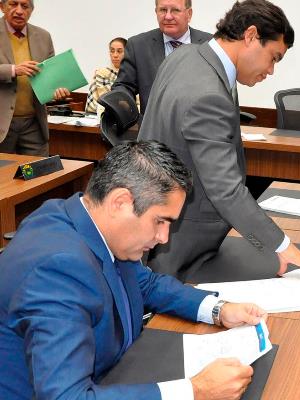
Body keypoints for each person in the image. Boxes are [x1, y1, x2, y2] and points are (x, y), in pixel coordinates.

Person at [0, 141, 266, 400]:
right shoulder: (58, 270)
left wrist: (219, 310)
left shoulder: (88, 221)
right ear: (120, 202)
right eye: (160, 221)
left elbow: (146, 284)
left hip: (116, 373)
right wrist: (195, 392)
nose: (164, 237)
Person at [139, 0, 300, 283]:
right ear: (250, 36)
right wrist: (280, 245)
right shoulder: (208, 94)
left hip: (156, 223)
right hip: (183, 243)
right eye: (274, 57)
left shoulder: (185, 56)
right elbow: (225, 190)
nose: (271, 70)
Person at [111, 0, 211, 118]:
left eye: (175, 10)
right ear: (156, 12)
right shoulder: (138, 45)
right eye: (163, 10)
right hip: (154, 132)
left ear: (189, 14)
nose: (168, 16)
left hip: (201, 129)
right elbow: (124, 86)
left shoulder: (210, 45)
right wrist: (123, 106)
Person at [0, 0, 69, 156]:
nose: (19, 11)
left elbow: (51, 77)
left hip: (34, 124)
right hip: (2, 125)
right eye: (13, 4)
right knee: (3, 178)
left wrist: (58, 91)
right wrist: (13, 70)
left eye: (25, 6)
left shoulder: (44, 36)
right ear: (2, 6)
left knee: (39, 175)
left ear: (31, 10)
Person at [85, 37, 127, 114]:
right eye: (112, 51)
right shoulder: (102, 73)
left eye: (119, 51)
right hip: (100, 116)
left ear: (127, 53)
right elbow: (108, 100)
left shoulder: (132, 74)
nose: (115, 55)